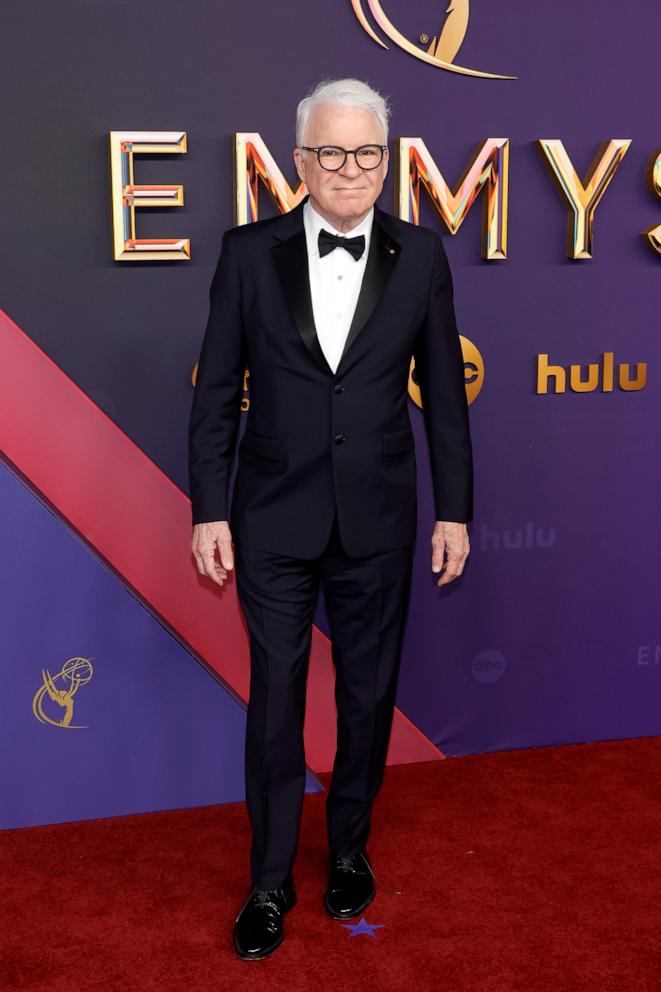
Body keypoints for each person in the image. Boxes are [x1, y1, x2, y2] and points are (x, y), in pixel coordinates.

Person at [188, 76, 473, 961]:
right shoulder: (246, 253)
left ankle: (348, 849)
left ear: (384, 164)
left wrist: (454, 512)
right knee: (275, 704)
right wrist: (207, 509)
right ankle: (268, 884)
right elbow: (213, 400)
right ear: (300, 162)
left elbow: (447, 406)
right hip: (269, 518)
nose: (349, 169)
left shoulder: (422, 255)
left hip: (379, 519)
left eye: (366, 153)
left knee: (366, 695)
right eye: (330, 152)